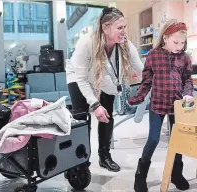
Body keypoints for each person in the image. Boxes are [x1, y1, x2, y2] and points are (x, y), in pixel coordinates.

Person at [65, 7, 143, 172]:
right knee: (81, 118)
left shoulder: (125, 45)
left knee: (106, 115)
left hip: (104, 79)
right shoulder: (87, 42)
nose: (123, 32)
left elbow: (141, 68)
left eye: (124, 27)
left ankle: (104, 156)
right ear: (106, 28)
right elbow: (81, 78)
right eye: (119, 28)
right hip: (80, 78)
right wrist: (94, 104)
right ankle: (79, 160)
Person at [127, 19, 194, 192]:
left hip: (178, 105)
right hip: (158, 104)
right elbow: (147, 81)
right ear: (165, 38)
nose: (179, 46)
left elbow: (188, 79)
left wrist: (187, 93)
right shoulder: (153, 55)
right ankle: (140, 175)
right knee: (153, 139)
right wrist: (139, 97)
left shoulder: (185, 58)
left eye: (182, 42)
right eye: (175, 42)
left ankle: (176, 174)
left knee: (178, 140)